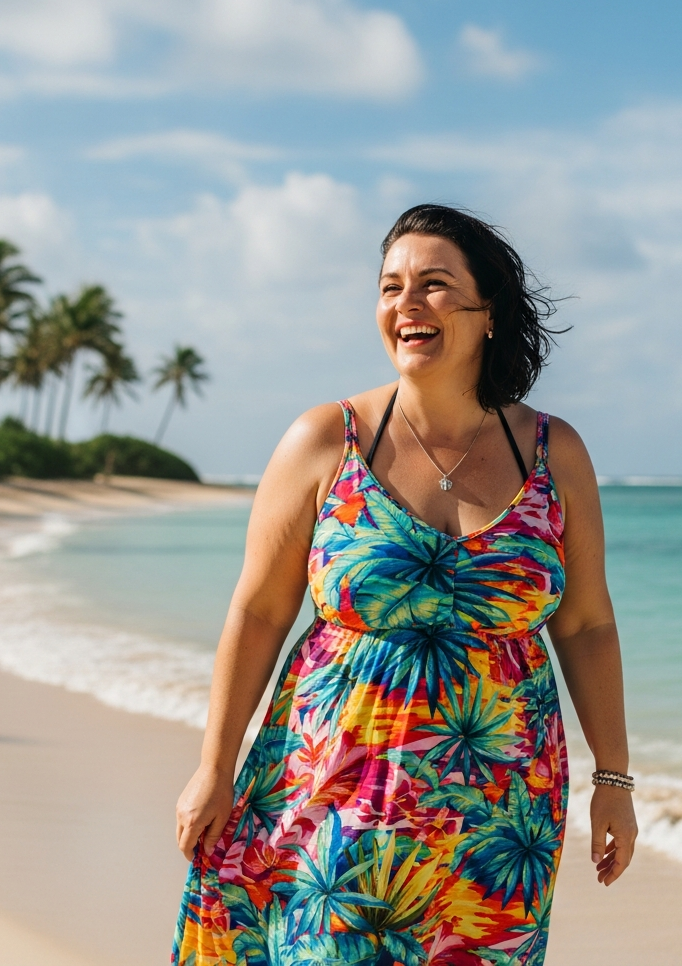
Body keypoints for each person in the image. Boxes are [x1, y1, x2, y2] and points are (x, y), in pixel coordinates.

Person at [172, 204, 637, 965]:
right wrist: (213, 766)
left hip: (498, 809)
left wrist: (614, 777)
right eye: (391, 288)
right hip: (332, 787)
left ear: (489, 313)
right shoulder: (327, 439)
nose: (406, 305)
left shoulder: (555, 454)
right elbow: (259, 610)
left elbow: (586, 625)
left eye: (434, 285)